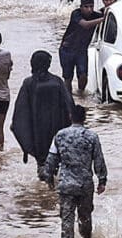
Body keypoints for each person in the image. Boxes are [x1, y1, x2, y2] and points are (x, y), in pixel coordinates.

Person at [42, 105, 107, 238]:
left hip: (66, 183)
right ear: (84, 118)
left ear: (70, 116)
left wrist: (49, 177)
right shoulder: (92, 136)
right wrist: (102, 180)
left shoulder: (60, 135)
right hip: (85, 184)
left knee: (66, 216)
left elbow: (51, 158)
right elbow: (98, 160)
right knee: (85, 217)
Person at [11, 50, 75, 178]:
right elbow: (70, 106)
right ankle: (52, 192)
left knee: (42, 164)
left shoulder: (29, 83)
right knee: (56, 161)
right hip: (57, 128)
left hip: (38, 132)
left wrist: (18, 129)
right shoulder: (57, 82)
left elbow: (21, 110)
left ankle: (43, 194)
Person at [58, 0, 105, 94]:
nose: (89, 9)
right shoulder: (76, 14)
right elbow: (85, 25)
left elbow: (106, 13)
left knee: (83, 75)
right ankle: (68, 98)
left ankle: (80, 95)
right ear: (81, 7)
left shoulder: (96, 15)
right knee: (68, 77)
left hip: (81, 50)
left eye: (91, 7)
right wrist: (102, 19)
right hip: (67, 49)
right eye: (86, 7)